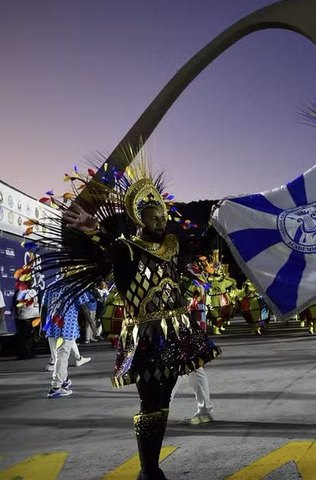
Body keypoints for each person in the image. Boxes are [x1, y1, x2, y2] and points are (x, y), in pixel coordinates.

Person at [31, 158, 220, 480]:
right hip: (146, 335)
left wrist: (220, 216)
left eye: (163, 215)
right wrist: (94, 229)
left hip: (177, 330)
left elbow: (204, 242)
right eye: (153, 217)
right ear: (138, 219)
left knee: (163, 398)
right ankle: (149, 470)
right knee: (150, 401)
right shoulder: (125, 251)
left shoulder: (173, 246)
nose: (161, 221)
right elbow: (105, 247)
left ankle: (152, 466)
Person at [41, 283, 92, 398]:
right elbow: (83, 306)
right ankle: (56, 388)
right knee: (62, 357)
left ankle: (63, 380)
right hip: (66, 329)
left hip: (52, 328)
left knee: (58, 356)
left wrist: (42, 327)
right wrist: (91, 324)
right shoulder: (75, 287)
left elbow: (43, 307)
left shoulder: (51, 286)